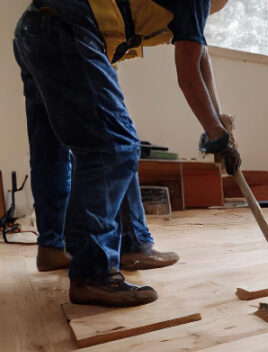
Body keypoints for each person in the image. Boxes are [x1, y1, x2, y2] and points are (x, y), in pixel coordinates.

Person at [14, 0, 241, 306]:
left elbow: (201, 58)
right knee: (116, 145)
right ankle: (93, 273)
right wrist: (216, 137)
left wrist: (220, 126)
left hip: (37, 27)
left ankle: (60, 247)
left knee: (52, 149)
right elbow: (188, 74)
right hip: (67, 27)